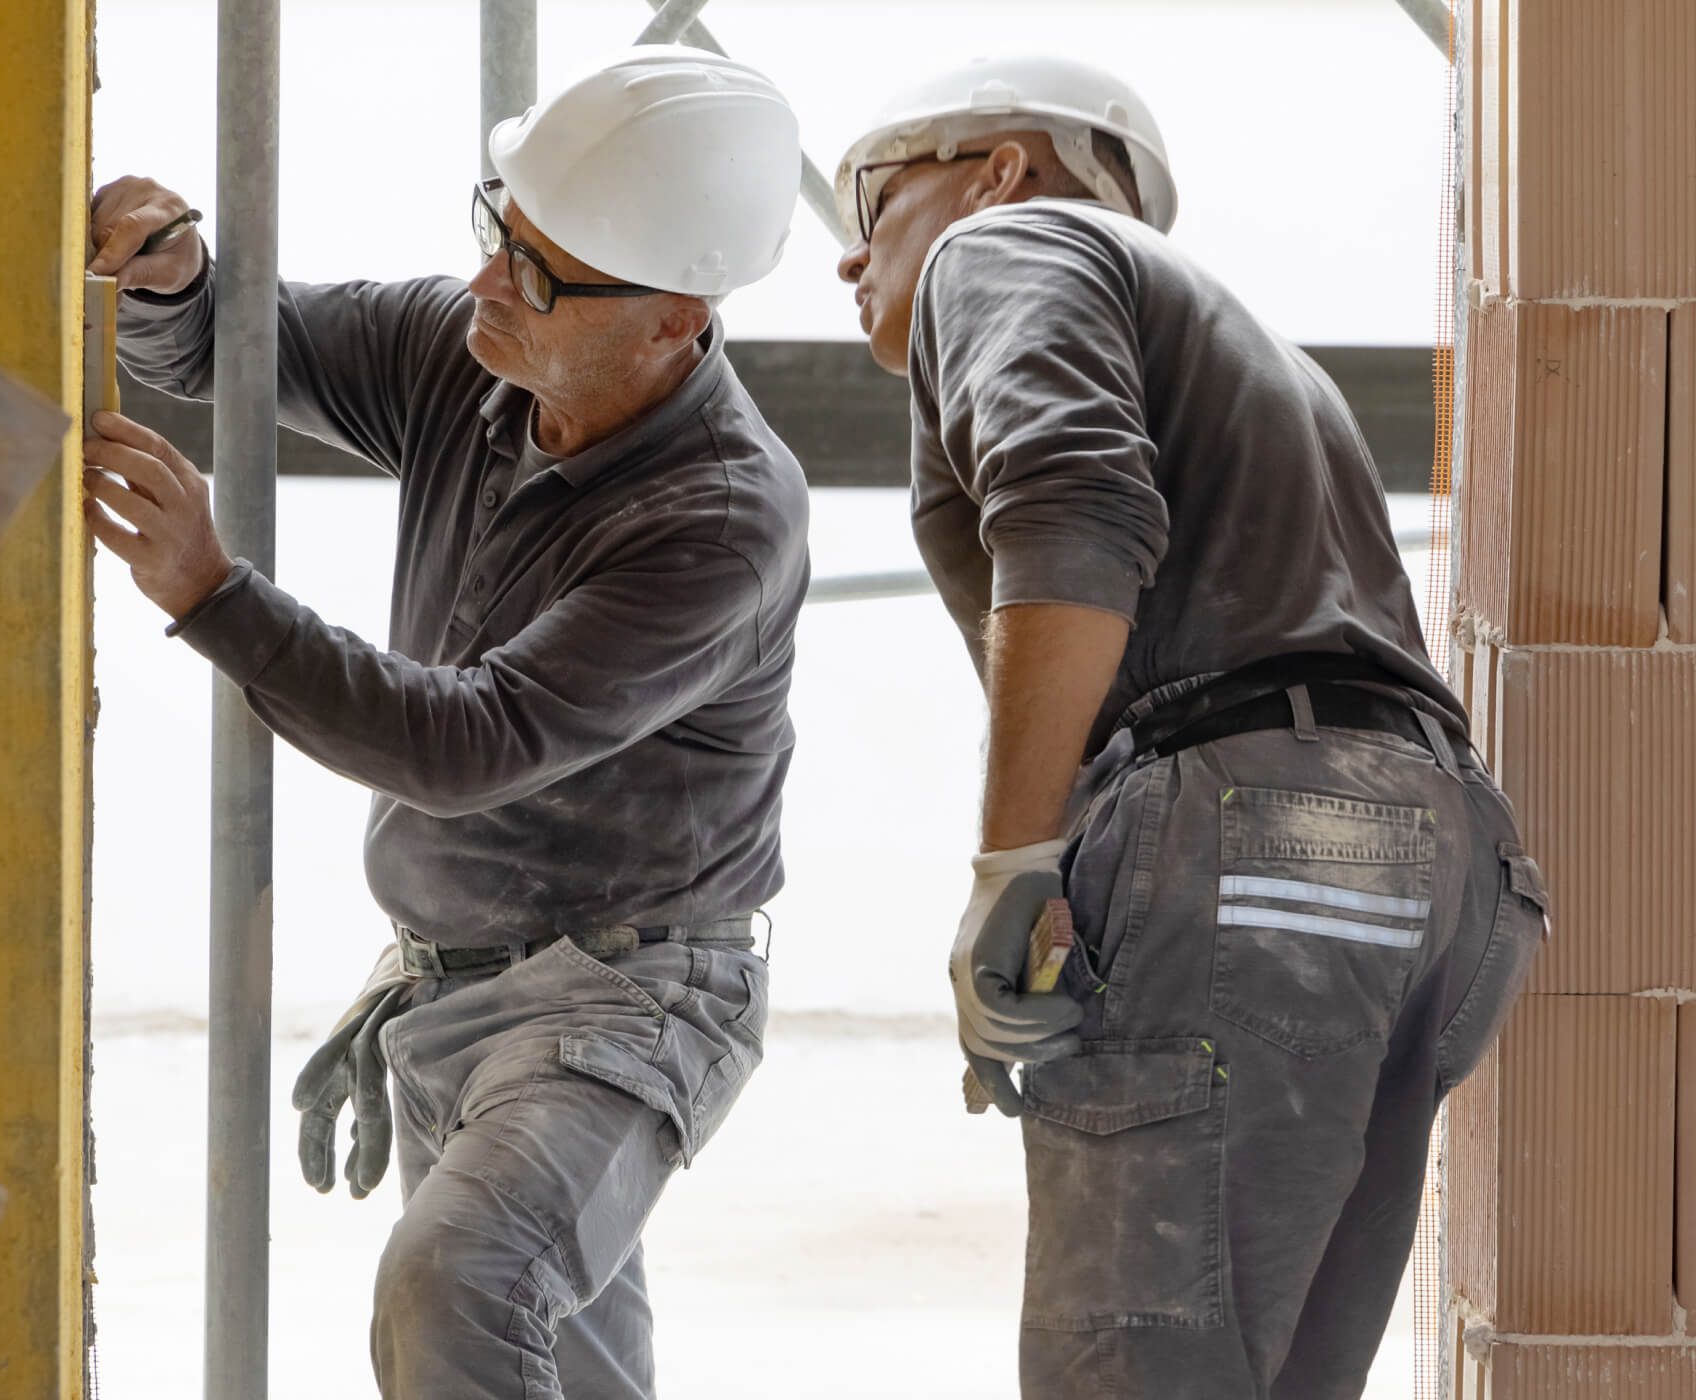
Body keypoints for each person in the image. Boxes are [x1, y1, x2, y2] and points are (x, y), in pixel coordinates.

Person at [83, 46, 808, 1400]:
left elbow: (464, 747)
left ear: (672, 320)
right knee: (530, 1344)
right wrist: (175, 279)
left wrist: (211, 590)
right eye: (501, 234)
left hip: (626, 997)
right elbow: (251, 341)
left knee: (463, 1280)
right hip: (458, 983)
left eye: (539, 273)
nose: (489, 284)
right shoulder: (471, 357)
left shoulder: (718, 516)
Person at [833, 56, 1548, 1400]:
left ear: (1002, 167)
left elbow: (1074, 517)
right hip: (1436, 862)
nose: (846, 249)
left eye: (873, 191)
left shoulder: (1006, 245)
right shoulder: (1245, 354)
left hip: (1258, 840)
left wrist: (1014, 874)